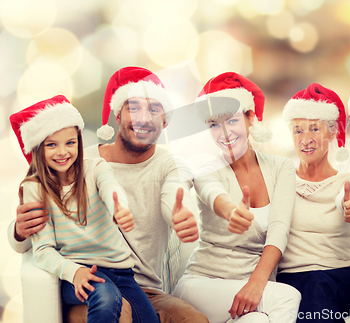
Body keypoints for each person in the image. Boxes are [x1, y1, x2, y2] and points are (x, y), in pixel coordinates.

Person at [8, 67, 208, 323]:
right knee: (117, 312)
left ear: (165, 121)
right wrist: (19, 230)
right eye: (133, 108)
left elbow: (175, 192)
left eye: (154, 109)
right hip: (87, 283)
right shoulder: (77, 160)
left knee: (194, 320)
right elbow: (26, 242)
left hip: (142, 289)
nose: (143, 118)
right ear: (117, 114)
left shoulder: (170, 165)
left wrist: (178, 214)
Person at [9, 95, 158, 323]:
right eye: (51, 145)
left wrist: (119, 206)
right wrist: (74, 272)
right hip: (77, 271)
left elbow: (111, 188)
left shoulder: (96, 168)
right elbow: (43, 250)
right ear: (38, 149)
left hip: (122, 272)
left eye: (70, 142)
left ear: (79, 141)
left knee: (149, 319)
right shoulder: (35, 188)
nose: (62, 152)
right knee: (105, 297)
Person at [173, 72, 301, 323]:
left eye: (231, 121)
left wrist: (255, 283)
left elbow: (279, 230)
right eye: (213, 124)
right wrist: (232, 210)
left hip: (250, 289)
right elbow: (214, 194)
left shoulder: (281, 168)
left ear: (250, 117)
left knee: (258, 321)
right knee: (287, 297)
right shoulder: (206, 170)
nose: (223, 133)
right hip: (203, 284)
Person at [276, 83, 350, 322]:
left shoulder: (348, 182)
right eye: (298, 131)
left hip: (341, 274)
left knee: (317, 287)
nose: (306, 139)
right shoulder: (280, 183)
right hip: (292, 277)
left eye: (314, 129)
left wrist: (349, 204)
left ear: (332, 133)